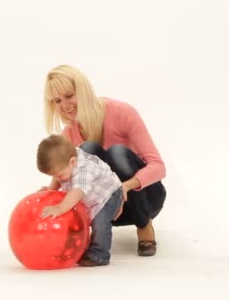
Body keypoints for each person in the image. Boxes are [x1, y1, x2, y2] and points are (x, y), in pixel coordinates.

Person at [42, 64, 166, 256]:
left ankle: (144, 226)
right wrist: (49, 191)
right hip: (109, 209)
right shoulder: (68, 134)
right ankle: (98, 235)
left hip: (144, 201)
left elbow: (158, 167)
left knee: (116, 153)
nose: (65, 106)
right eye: (57, 101)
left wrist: (125, 186)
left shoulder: (121, 112)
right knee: (87, 150)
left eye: (69, 96)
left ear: (82, 91)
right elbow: (65, 175)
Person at [37, 134, 123, 267]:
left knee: (100, 223)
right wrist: (51, 188)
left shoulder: (84, 170)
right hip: (92, 195)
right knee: (82, 218)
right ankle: (85, 247)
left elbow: (76, 192)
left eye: (59, 175)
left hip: (108, 195)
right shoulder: (66, 160)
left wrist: (59, 208)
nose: (58, 178)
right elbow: (59, 177)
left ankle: (99, 255)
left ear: (72, 162)